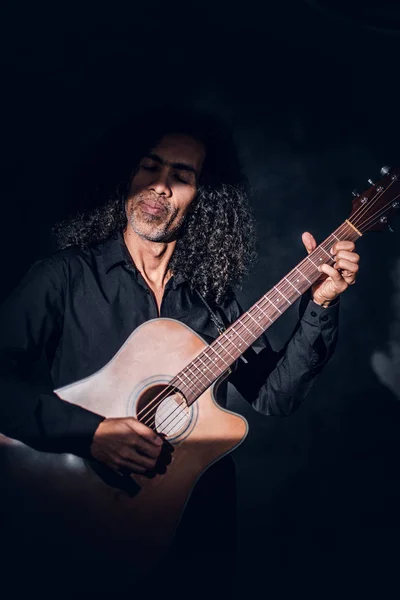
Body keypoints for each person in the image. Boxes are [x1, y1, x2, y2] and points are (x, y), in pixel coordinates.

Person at [0, 108, 359, 598]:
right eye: (150, 166)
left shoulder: (213, 301)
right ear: (127, 173)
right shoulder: (63, 278)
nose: (160, 186)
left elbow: (275, 396)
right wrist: (92, 432)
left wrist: (321, 303)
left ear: (202, 199)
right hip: (75, 513)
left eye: (181, 176)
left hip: (194, 529)